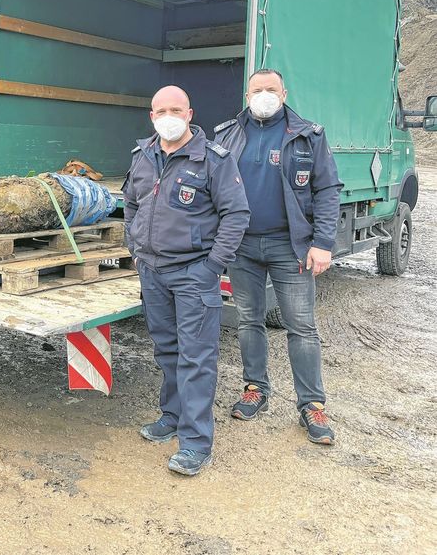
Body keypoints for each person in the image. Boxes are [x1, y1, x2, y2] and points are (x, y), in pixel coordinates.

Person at [122, 85, 250, 476]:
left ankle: (195, 444)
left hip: (194, 274)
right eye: (161, 110)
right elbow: (130, 203)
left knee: (197, 358)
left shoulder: (213, 160)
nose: (169, 117)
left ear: (190, 114)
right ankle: (172, 417)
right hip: (153, 273)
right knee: (168, 351)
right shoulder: (142, 155)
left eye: (176, 109)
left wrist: (212, 267)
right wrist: (135, 246)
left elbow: (237, 215)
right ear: (152, 116)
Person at [213, 69, 342, 445]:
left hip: (292, 246)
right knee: (249, 320)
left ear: (284, 93)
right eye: (258, 90)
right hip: (242, 247)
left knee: (301, 326)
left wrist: (323, 242)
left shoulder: (307, 135)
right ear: (247, 93)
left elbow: (328, 190)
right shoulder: (228, 134)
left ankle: (312, 405)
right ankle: (256, 389)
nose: (264, 95)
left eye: (271, 89)